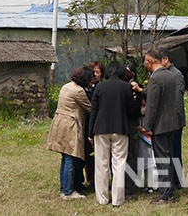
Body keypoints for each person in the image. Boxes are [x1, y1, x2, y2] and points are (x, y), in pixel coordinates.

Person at [88, 61, 138, 207]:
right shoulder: (126, 87)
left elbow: (94, 111)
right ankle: (118, 199)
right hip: (121, 129)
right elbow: (132, 111)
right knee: (119, 164)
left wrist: (90, 132)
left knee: (101, 164)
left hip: (100, 129)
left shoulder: (99, 87)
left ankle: (102, 198)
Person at [138, 49, 183, 204]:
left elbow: (152, 105)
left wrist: (147, 126)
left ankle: (166, 194)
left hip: (161, 125)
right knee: (168, 158)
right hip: (172, 123)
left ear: (150, 62)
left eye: (145, 63)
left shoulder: (155, 79)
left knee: (162, 160)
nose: (145, 66)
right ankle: (169, 191)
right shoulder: (170, 75)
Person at [46, 67, 94, 200]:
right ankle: (68, 192)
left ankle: (64, 188)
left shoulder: (66, 86)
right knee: (71, 159)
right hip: (70, 126)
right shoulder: (78, 91)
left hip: (60, 124)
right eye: (90, 80)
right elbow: (90, 108)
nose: (91, 82)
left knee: (65, 158)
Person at [159, 48, 186, 190]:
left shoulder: (176, 75)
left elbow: (177, 101)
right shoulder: (166, 74)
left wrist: (174, 120)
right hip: (168, 120)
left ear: (166, 59)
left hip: (175, 121)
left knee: (175, 151)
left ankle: (177, 180)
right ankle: (172, 178)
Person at [81, 61, 103, 191]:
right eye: (93, 72)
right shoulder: (84, 88)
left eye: (98, 72)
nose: (94, 75)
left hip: (100, 124)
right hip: (86, 124)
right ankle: (90, 180)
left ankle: (101, 180)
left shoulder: (102, 87)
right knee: (88, 154)